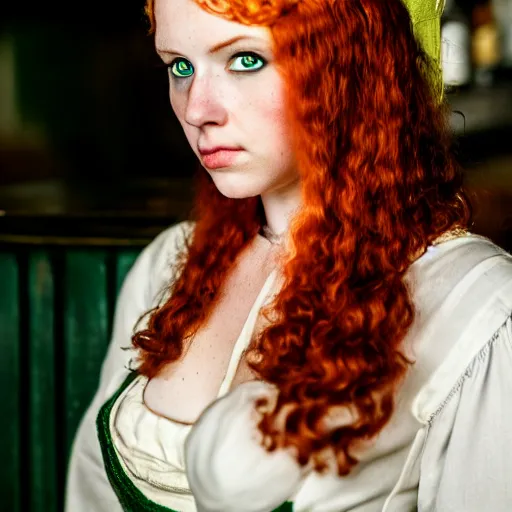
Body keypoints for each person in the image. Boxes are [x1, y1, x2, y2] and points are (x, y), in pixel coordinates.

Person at [65, 0, 512, 510]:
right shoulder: (169, 263)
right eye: (180, 67)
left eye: (245, 60)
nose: (197, 109)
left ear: (347, 63)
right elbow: (89, 494)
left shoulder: (473, 303)